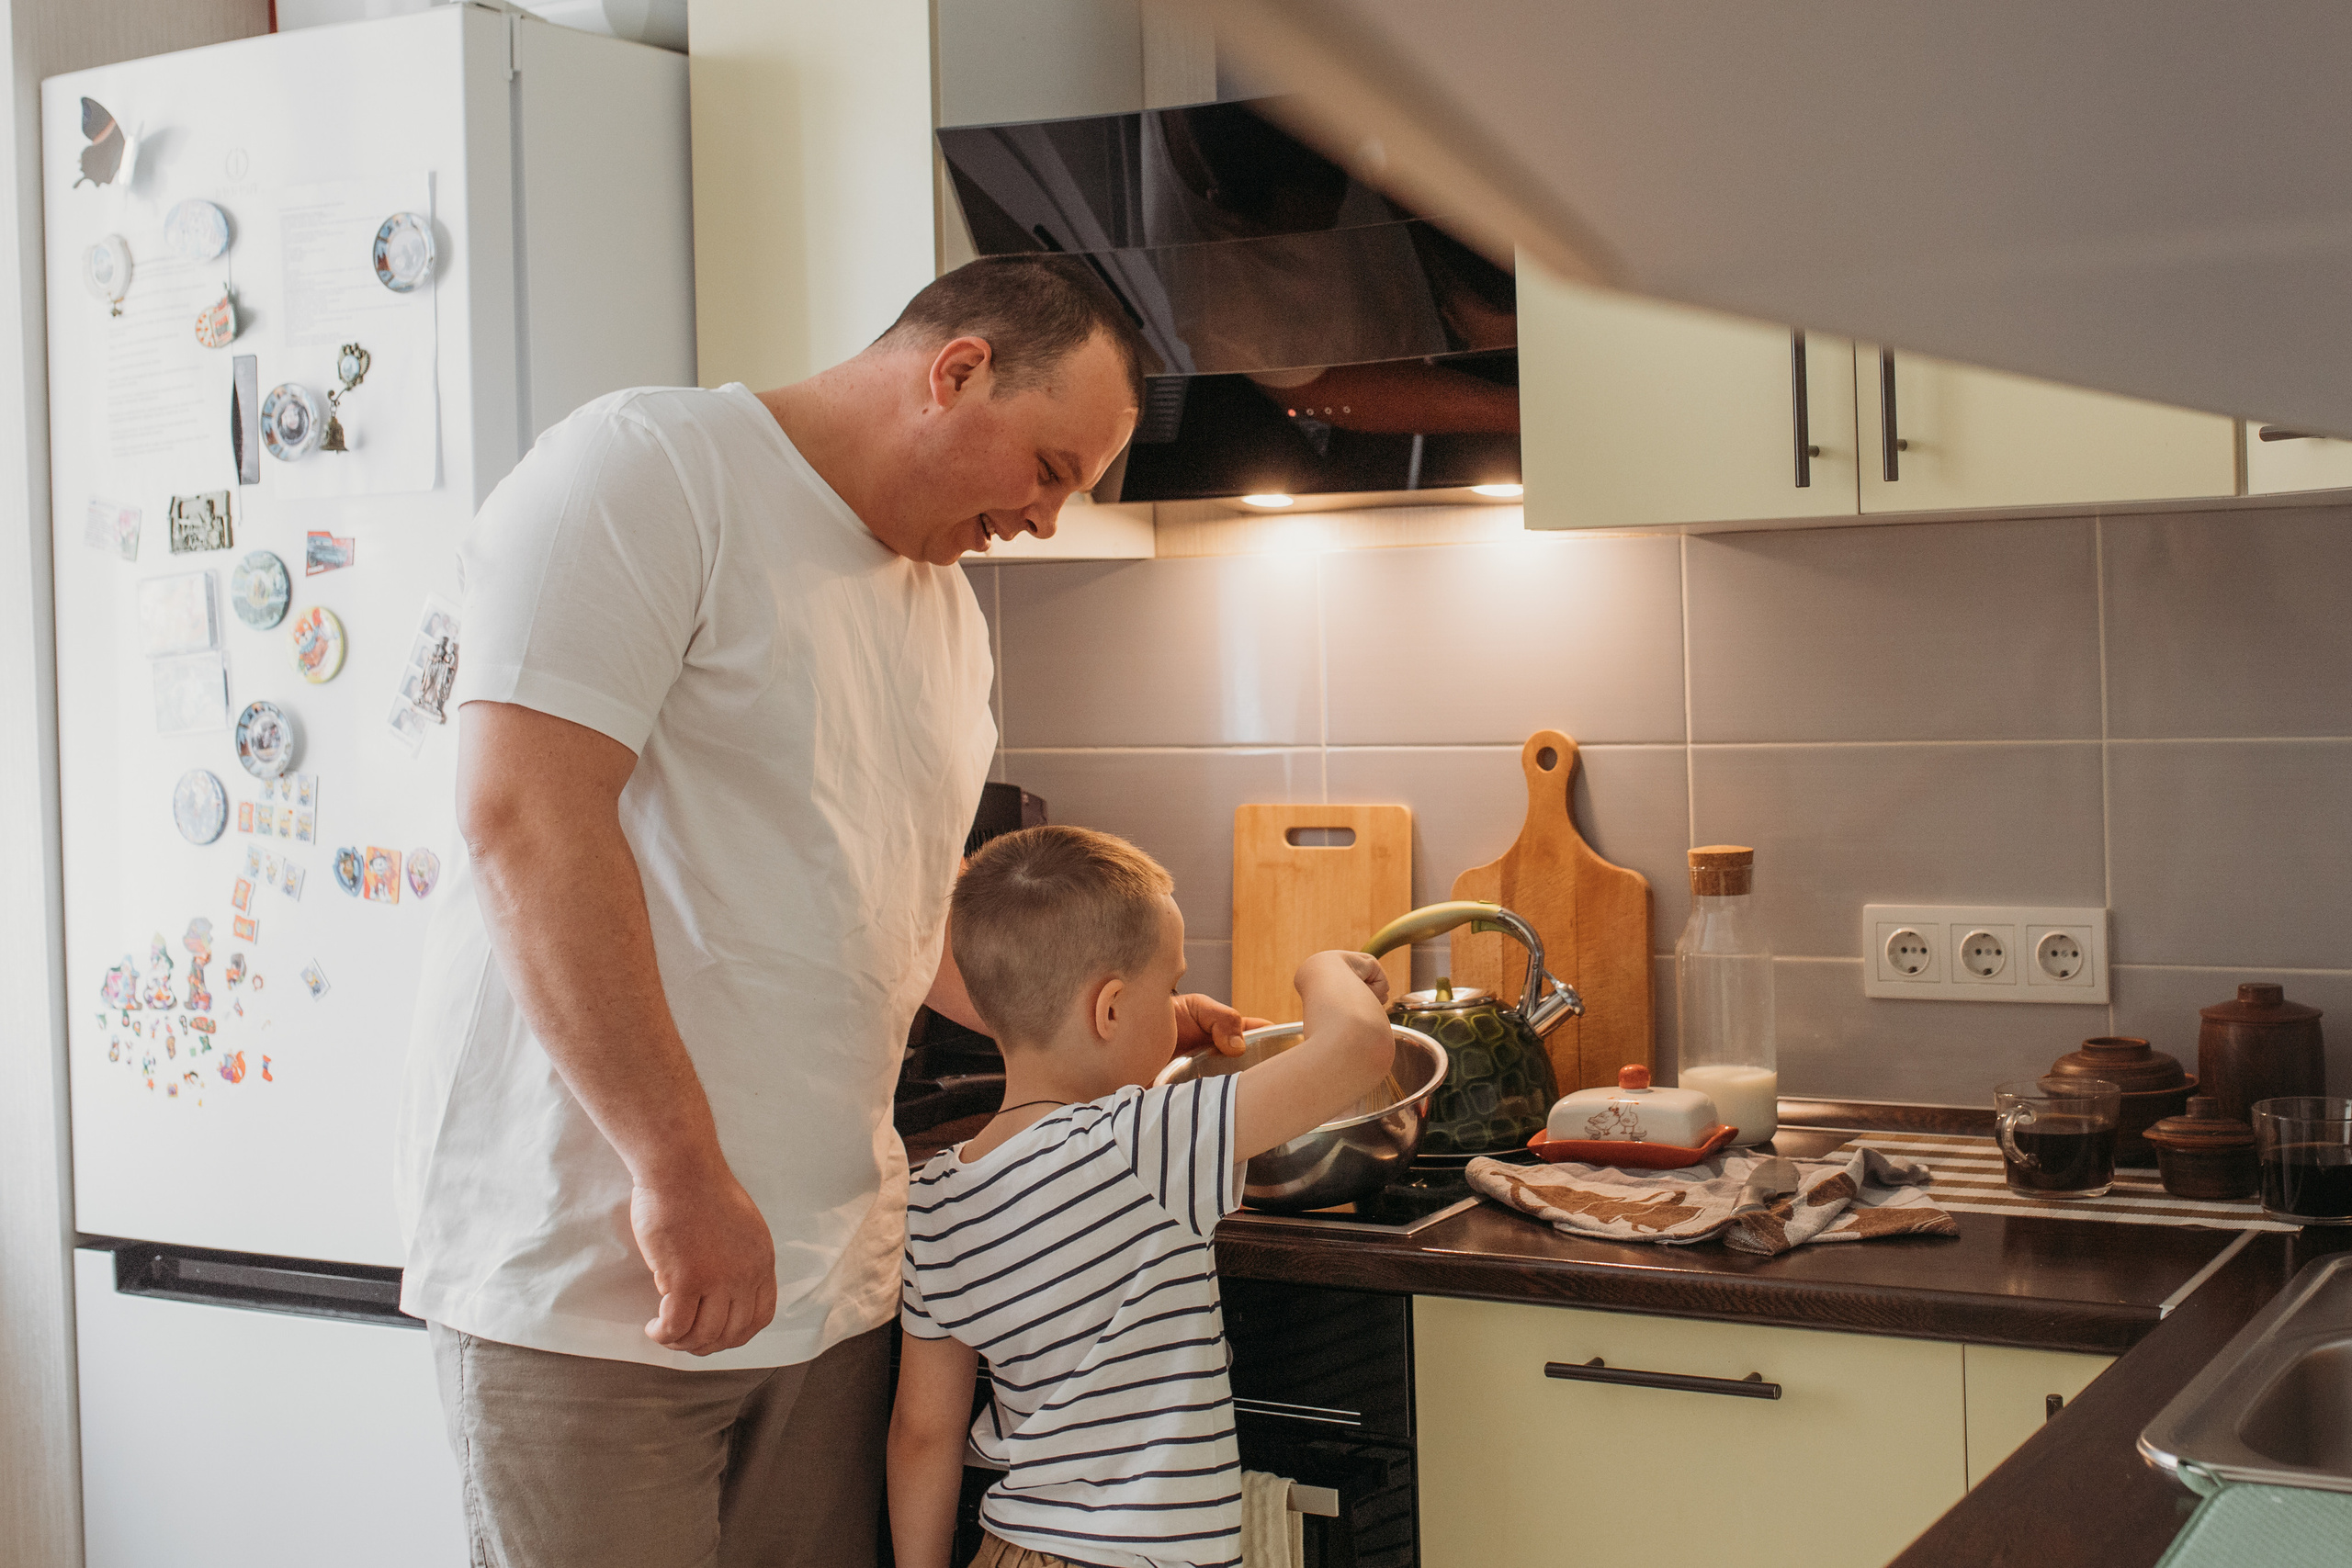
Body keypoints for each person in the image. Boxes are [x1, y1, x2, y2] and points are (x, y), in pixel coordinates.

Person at [392, 256, 1261, 1568]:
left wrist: (1105, 1030)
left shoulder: (946, 623)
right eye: (1046, 467)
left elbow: (886, 912)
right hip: (598, 1276)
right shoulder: (649, 472)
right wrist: (677, 1168)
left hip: (838, 1277)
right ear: (955, 369)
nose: (1043, 519)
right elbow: (524, 819)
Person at [889, 826, 1396, 1568]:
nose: (1179, 1004)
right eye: (1170, 985)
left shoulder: (934, 1196)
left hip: (1012, 1551)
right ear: (1111, 1010)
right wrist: (1321, 966)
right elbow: (1358, 1048)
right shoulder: (1146, 1142)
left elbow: (923, 1433)